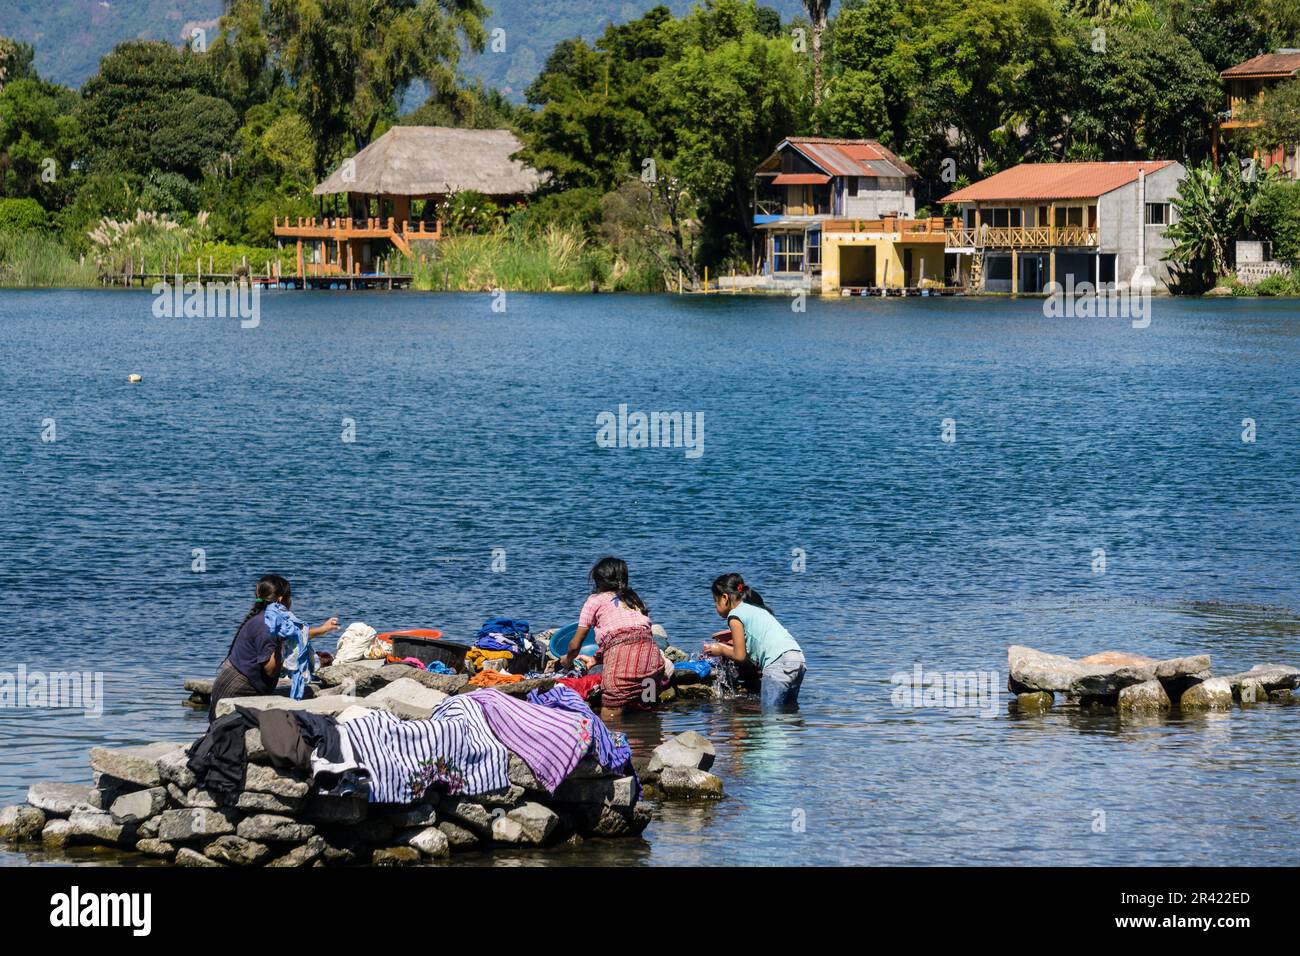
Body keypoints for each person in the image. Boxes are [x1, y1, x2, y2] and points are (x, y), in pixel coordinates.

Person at [208, 574, 338, 720]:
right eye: (290, 597)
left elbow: (294, 635)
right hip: (236, 692)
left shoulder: (264, 618)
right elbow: (270, 670)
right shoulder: (268, 627)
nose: (291, 601)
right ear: (281, 600)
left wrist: (322, 629)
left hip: (231, 684)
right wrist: (279, 644)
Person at [559, 557, 665, 720]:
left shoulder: (594, 601)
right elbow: (633, 638)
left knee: (611, 717)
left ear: (597, 581)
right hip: (652, 664)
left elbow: (575, 645)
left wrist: (567, 660)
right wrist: (596, 659)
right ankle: (649, 739)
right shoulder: (635, 599)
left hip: (621, 667)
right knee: (647, 708)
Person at [704, 573, 805, 709]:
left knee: (770, 715)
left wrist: (720, 648)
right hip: (797, 658)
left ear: (725, 598)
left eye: (715, 601)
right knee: (789, 710)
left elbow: (740, 655)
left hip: (778, 664)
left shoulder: (734, 616)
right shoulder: (756, 608)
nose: (715, 605)